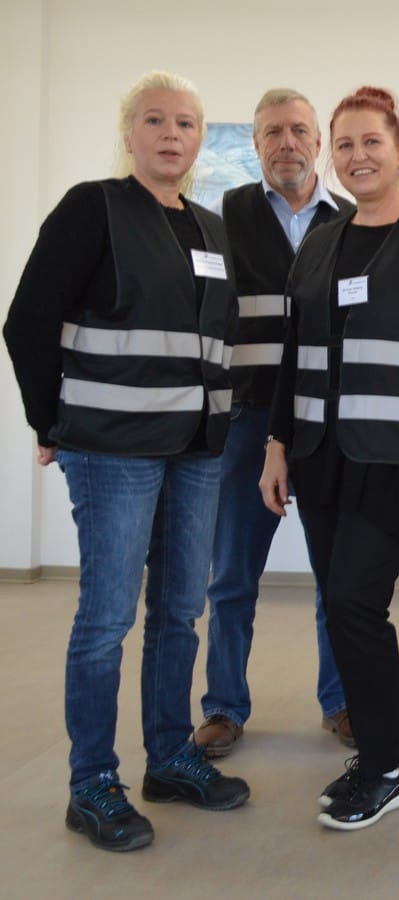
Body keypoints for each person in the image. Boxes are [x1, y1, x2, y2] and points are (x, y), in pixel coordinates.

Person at [3, 71, 250, 852]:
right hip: (112, 451)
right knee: (106, 619)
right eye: (155, 120)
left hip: (197, 452)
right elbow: (28, 320)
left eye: (185, 122)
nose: (171, 134)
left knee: (180, 610)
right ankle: (92, 783)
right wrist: (51, 418)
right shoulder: (93, 208)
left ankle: (170, 755)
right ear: (129, 132)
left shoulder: (211, 231)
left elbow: (212, 348)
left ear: (200, 138)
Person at [260, 86, 399, 831]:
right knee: (341, 606)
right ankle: (374, 755)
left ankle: (386, 771)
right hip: (322, 458)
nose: (357, 156)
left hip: (396, 460)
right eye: (344, 144)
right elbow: (295, 355)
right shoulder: (321, 240)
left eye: (371, 142)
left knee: (355, 604)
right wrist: (277, 444)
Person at [196, 88, 354, 759]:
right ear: (255, 144)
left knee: (336, 576)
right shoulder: (220, 218)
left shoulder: (351, 221)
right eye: (272, 133)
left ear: (316, 140)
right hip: (246, 419)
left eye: (298, 130)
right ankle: (224, 708)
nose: (286, 143)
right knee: (232, 574)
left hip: (325, 423)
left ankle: (342, 701)